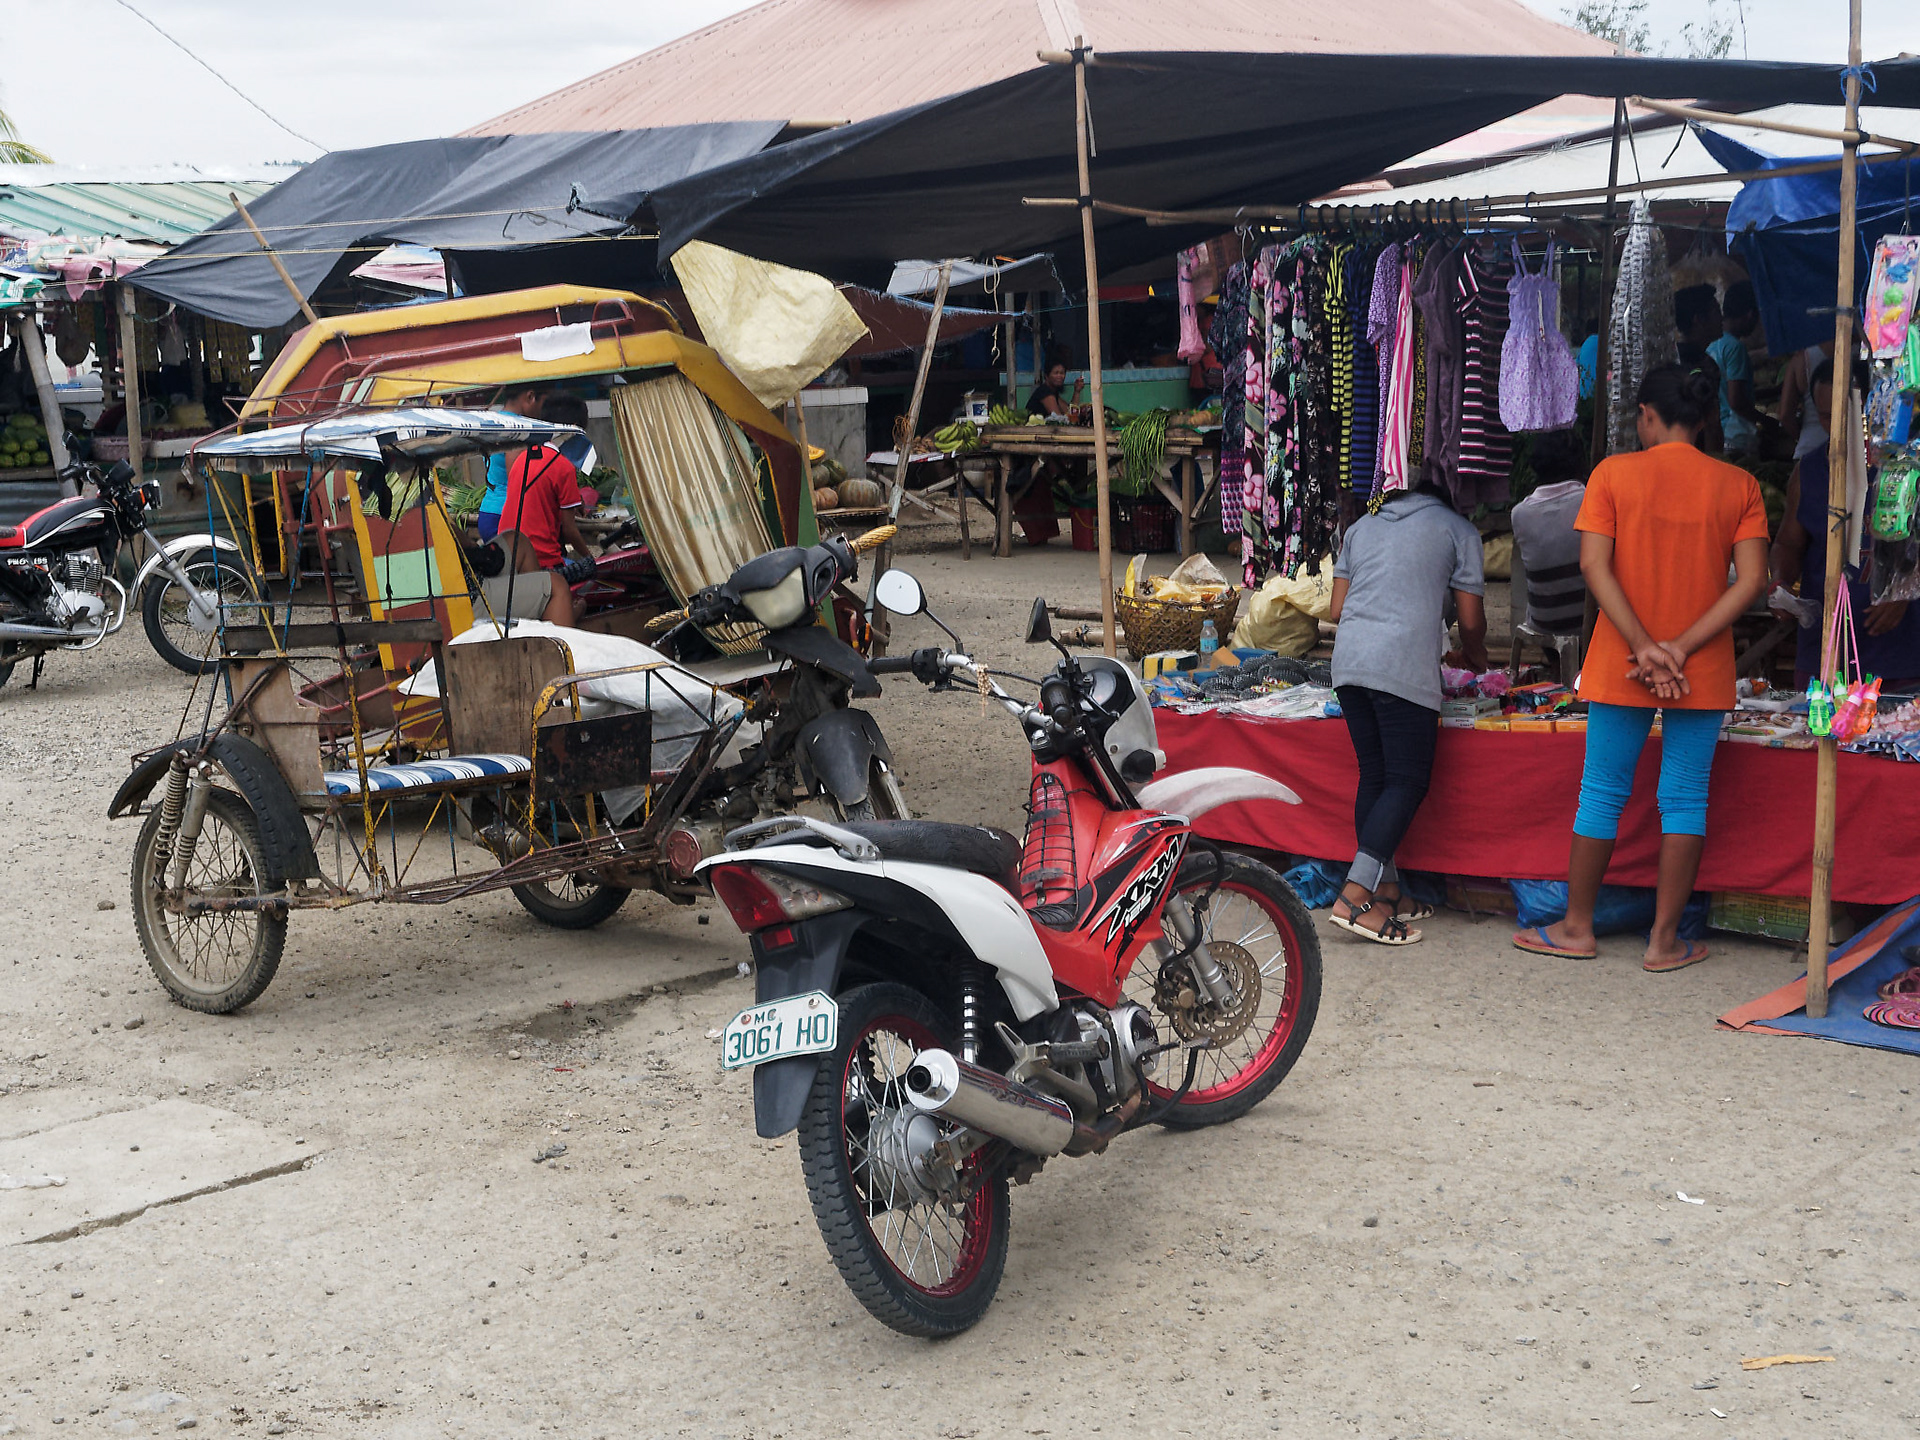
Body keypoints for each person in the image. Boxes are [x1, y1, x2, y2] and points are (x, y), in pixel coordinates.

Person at [1514, 364, 1770, 973]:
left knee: (1601, 792)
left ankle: (1576, 927)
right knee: (1684, 800)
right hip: (1700, 665)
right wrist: (1680, 648)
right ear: (1705, 419)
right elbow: (1753, 583)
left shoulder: (1613, 475)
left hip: (1620, 659)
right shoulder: (1739, 485)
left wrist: (1645, 645)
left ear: (1647, 416)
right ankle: (1664, 942)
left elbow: (1594, 568)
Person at [1326, 483, 1488, 946]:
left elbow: (1338, 607)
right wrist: (1473, 654)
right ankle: (1356, 895)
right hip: (1401, 664)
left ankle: (1388, 892)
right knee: (1407, 781)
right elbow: (1472, 620)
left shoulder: (1360, 528)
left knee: (1375, 776)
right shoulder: (1457, 529)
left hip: (1350, 663)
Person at [1770, 359, 1920, 687]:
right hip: (1825, 652)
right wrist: (1780, 582)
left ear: (1873, 405)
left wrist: (1905, 590)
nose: (1835, 424)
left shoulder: (1908, 465)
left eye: (1845, 413)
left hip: (1900, 655)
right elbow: (1788, 543)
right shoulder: (1808, 471)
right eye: (1824, 416)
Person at [482, 393, 598, 627]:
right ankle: (569, 617)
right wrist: (591, 559)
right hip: (542, 561)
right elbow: (570, 531)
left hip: (510, 557)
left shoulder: (522, 459)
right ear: (573, 432)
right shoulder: (562, 466)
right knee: (591, 579)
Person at [1509, 428, 1592, 641]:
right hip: (1590, 619)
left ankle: (1557, 664)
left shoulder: (1519, 514)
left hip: (1544, 620)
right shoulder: (1591, 501)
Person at [477, 384, 544, 541]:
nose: (541, 412)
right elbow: (517, 481)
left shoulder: (494, 422)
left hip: (488, 511)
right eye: (542, 404)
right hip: (505, 517)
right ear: (530, 396)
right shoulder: (519, 429)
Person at [1708, 281, 1763, 456]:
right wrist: (1766, 422)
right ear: (1749, 315)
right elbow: (1736, 401)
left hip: (1718, 433)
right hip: (1737, 436)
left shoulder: (1712, 343)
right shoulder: (1735, 347)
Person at [1673, 284, 1726, 454]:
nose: (1722, 319)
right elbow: (1711, 426)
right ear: (1698, 320)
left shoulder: (1672, 358)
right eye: (1716, 312)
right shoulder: (1704, 366)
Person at [1778, 339, 1836, 461]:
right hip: (1854, 449)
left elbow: (1785, 415)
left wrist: (1801, 437)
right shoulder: (1861, 348)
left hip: (1810, 444)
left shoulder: (1801, 358)